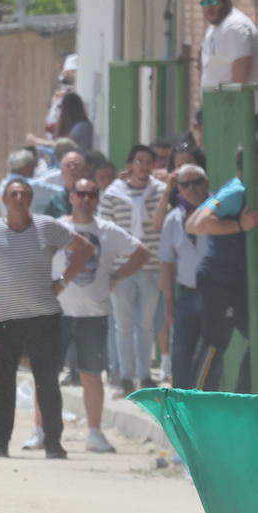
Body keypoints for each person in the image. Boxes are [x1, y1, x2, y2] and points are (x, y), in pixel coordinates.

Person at [0, 177, 92, 459]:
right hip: (4, 318)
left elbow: (84, 248)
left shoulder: (47, 227)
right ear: (4, 199)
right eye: (13, 194)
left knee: (47, 381)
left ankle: (53, 443)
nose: (19, 199)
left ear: (31, 198)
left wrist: (62, 281)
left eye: (24, 194)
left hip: (44, 316)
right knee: (2, 383)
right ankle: (0, 443)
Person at [42, 178, 149, 454]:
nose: (86, 198)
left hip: (94, 314)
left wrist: (117, 276)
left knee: (91, 375)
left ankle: (94, 432)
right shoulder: (57, 228)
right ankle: (40, 430)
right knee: (48, 374)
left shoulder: (108, 231)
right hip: (57, 312)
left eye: (92, 194)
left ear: (98, 199)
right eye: (81, 193)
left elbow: (141, 252)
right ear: (71, 196)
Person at [185, 151, 258, 391]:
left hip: (237, 281)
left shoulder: (239, 189)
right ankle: (198, 403)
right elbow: (196, 223)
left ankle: (242, 399)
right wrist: (239, 225)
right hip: (220, 280)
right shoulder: (235, 191)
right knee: (215, 342)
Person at [100, 145, 167, 394]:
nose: (143, 166)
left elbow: (164, 225)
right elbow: (104, 231)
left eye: (148, 161)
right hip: (121, 268)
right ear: (130, 164)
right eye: (139, 161)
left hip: (151, 266)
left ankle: (145, 375)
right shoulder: (112, 194)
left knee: (146, 323)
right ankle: (126, 376)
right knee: (123, 324)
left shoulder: (160, 192)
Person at [158, 164, 211, 389]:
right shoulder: (173, 219)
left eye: (196, 182)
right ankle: (181, 405)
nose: (191, 188)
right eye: (184, 184)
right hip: (187, 296)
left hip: (215, 295)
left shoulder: (218, 211)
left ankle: (206, 403)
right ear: (178, 188)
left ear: (206, 184)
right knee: (181, 353)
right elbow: (167, 263)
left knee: (208, 353)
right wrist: (170, 304)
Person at [200, 0, 256, 92]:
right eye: (204, 3)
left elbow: (240, 80)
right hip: (217, 103)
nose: (208, 8)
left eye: (214, 2)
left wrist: (233, 105)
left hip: (234, 104)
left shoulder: (235, 27)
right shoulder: (214, 27)